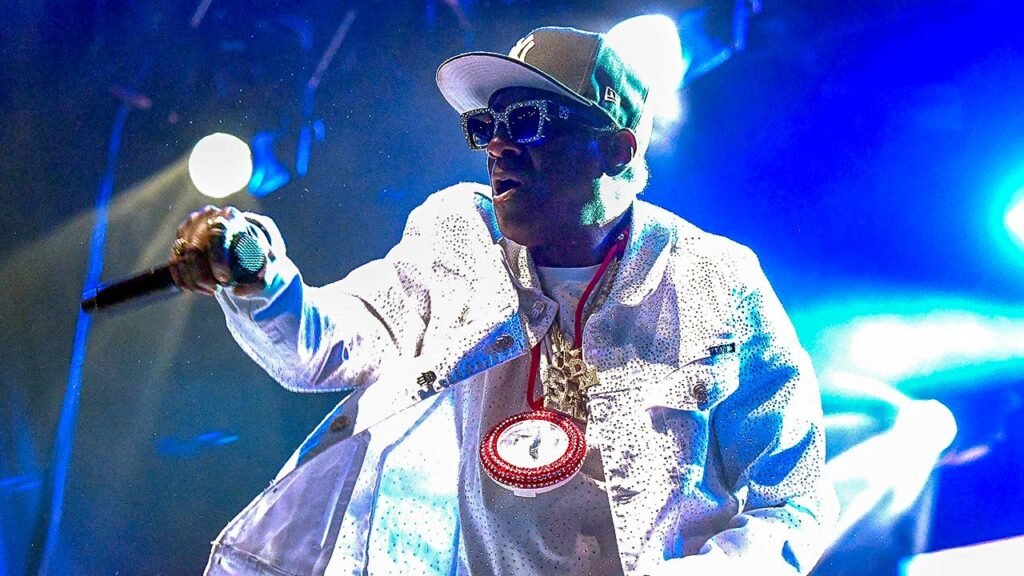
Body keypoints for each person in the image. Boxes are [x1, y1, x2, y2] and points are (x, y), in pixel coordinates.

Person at [170, 26, 837, 576]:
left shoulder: (716, 280)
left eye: (528, 121)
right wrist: (258, 275)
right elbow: (333, 343)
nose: (497, 146)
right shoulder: (461, 239)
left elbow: (792, 502)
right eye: (484, 125)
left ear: (616, 148)